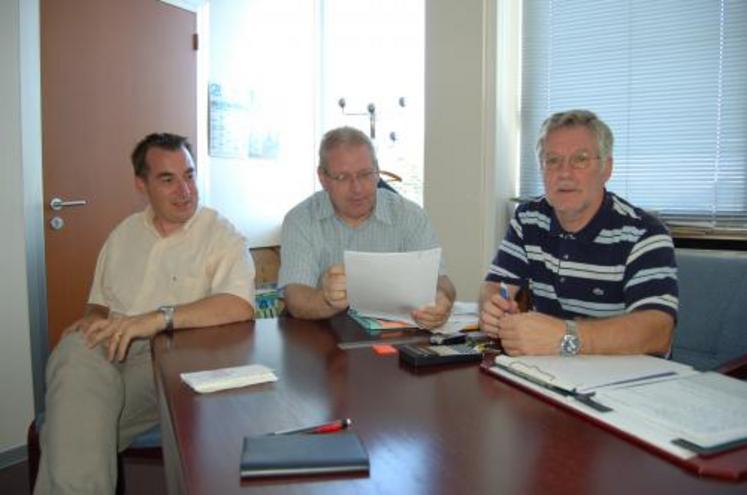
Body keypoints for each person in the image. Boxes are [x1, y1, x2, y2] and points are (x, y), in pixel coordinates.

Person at [35, 133, 256, 494]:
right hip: (110, 350)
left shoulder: (220, 234)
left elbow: (239, 306)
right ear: (141, 184)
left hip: (168, 361)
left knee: (66, 424)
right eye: (168, 180)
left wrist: (157, 318)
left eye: (189, 174)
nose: (185, 190)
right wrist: (92, 318)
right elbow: (99, 304)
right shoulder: (123, 234)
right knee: (75, 350)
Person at [479, 110, 677, 356]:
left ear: (606, 169)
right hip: (549, 370)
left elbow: (657, 332)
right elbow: (497, 284)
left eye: (580, 159)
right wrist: (493, 307)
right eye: (552, 160)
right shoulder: (528, 218)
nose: (564, 173)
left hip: (622, 382)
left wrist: (567, 336)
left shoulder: (644, 233)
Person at [279, 126, 455, 329]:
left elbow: (441, 281)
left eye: (365, 174)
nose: (357, 189)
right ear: (323, 178)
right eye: (343, 178)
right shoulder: (301, 219)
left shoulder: (410, 216)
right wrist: (326, 299)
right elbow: (295, 298)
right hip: (320, 339)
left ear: (378, 172)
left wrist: (442, 300)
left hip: (395, 337)